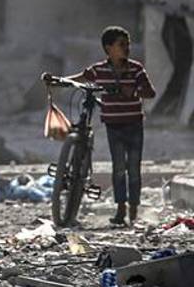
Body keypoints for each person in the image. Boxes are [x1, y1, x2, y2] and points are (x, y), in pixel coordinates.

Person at [42, 26, 156, 226]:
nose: (127, 48)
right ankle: (121, 209)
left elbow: (150, 92)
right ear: (108, 48)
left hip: (134, 124)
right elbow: (81, 78)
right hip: (113, 125)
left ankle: (133, 210)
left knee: (133, 168)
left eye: (127, 44)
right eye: (122, 44)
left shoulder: (136, 69)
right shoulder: (99, 70)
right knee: (119, 167)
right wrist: (59, 80)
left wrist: (135, 91)